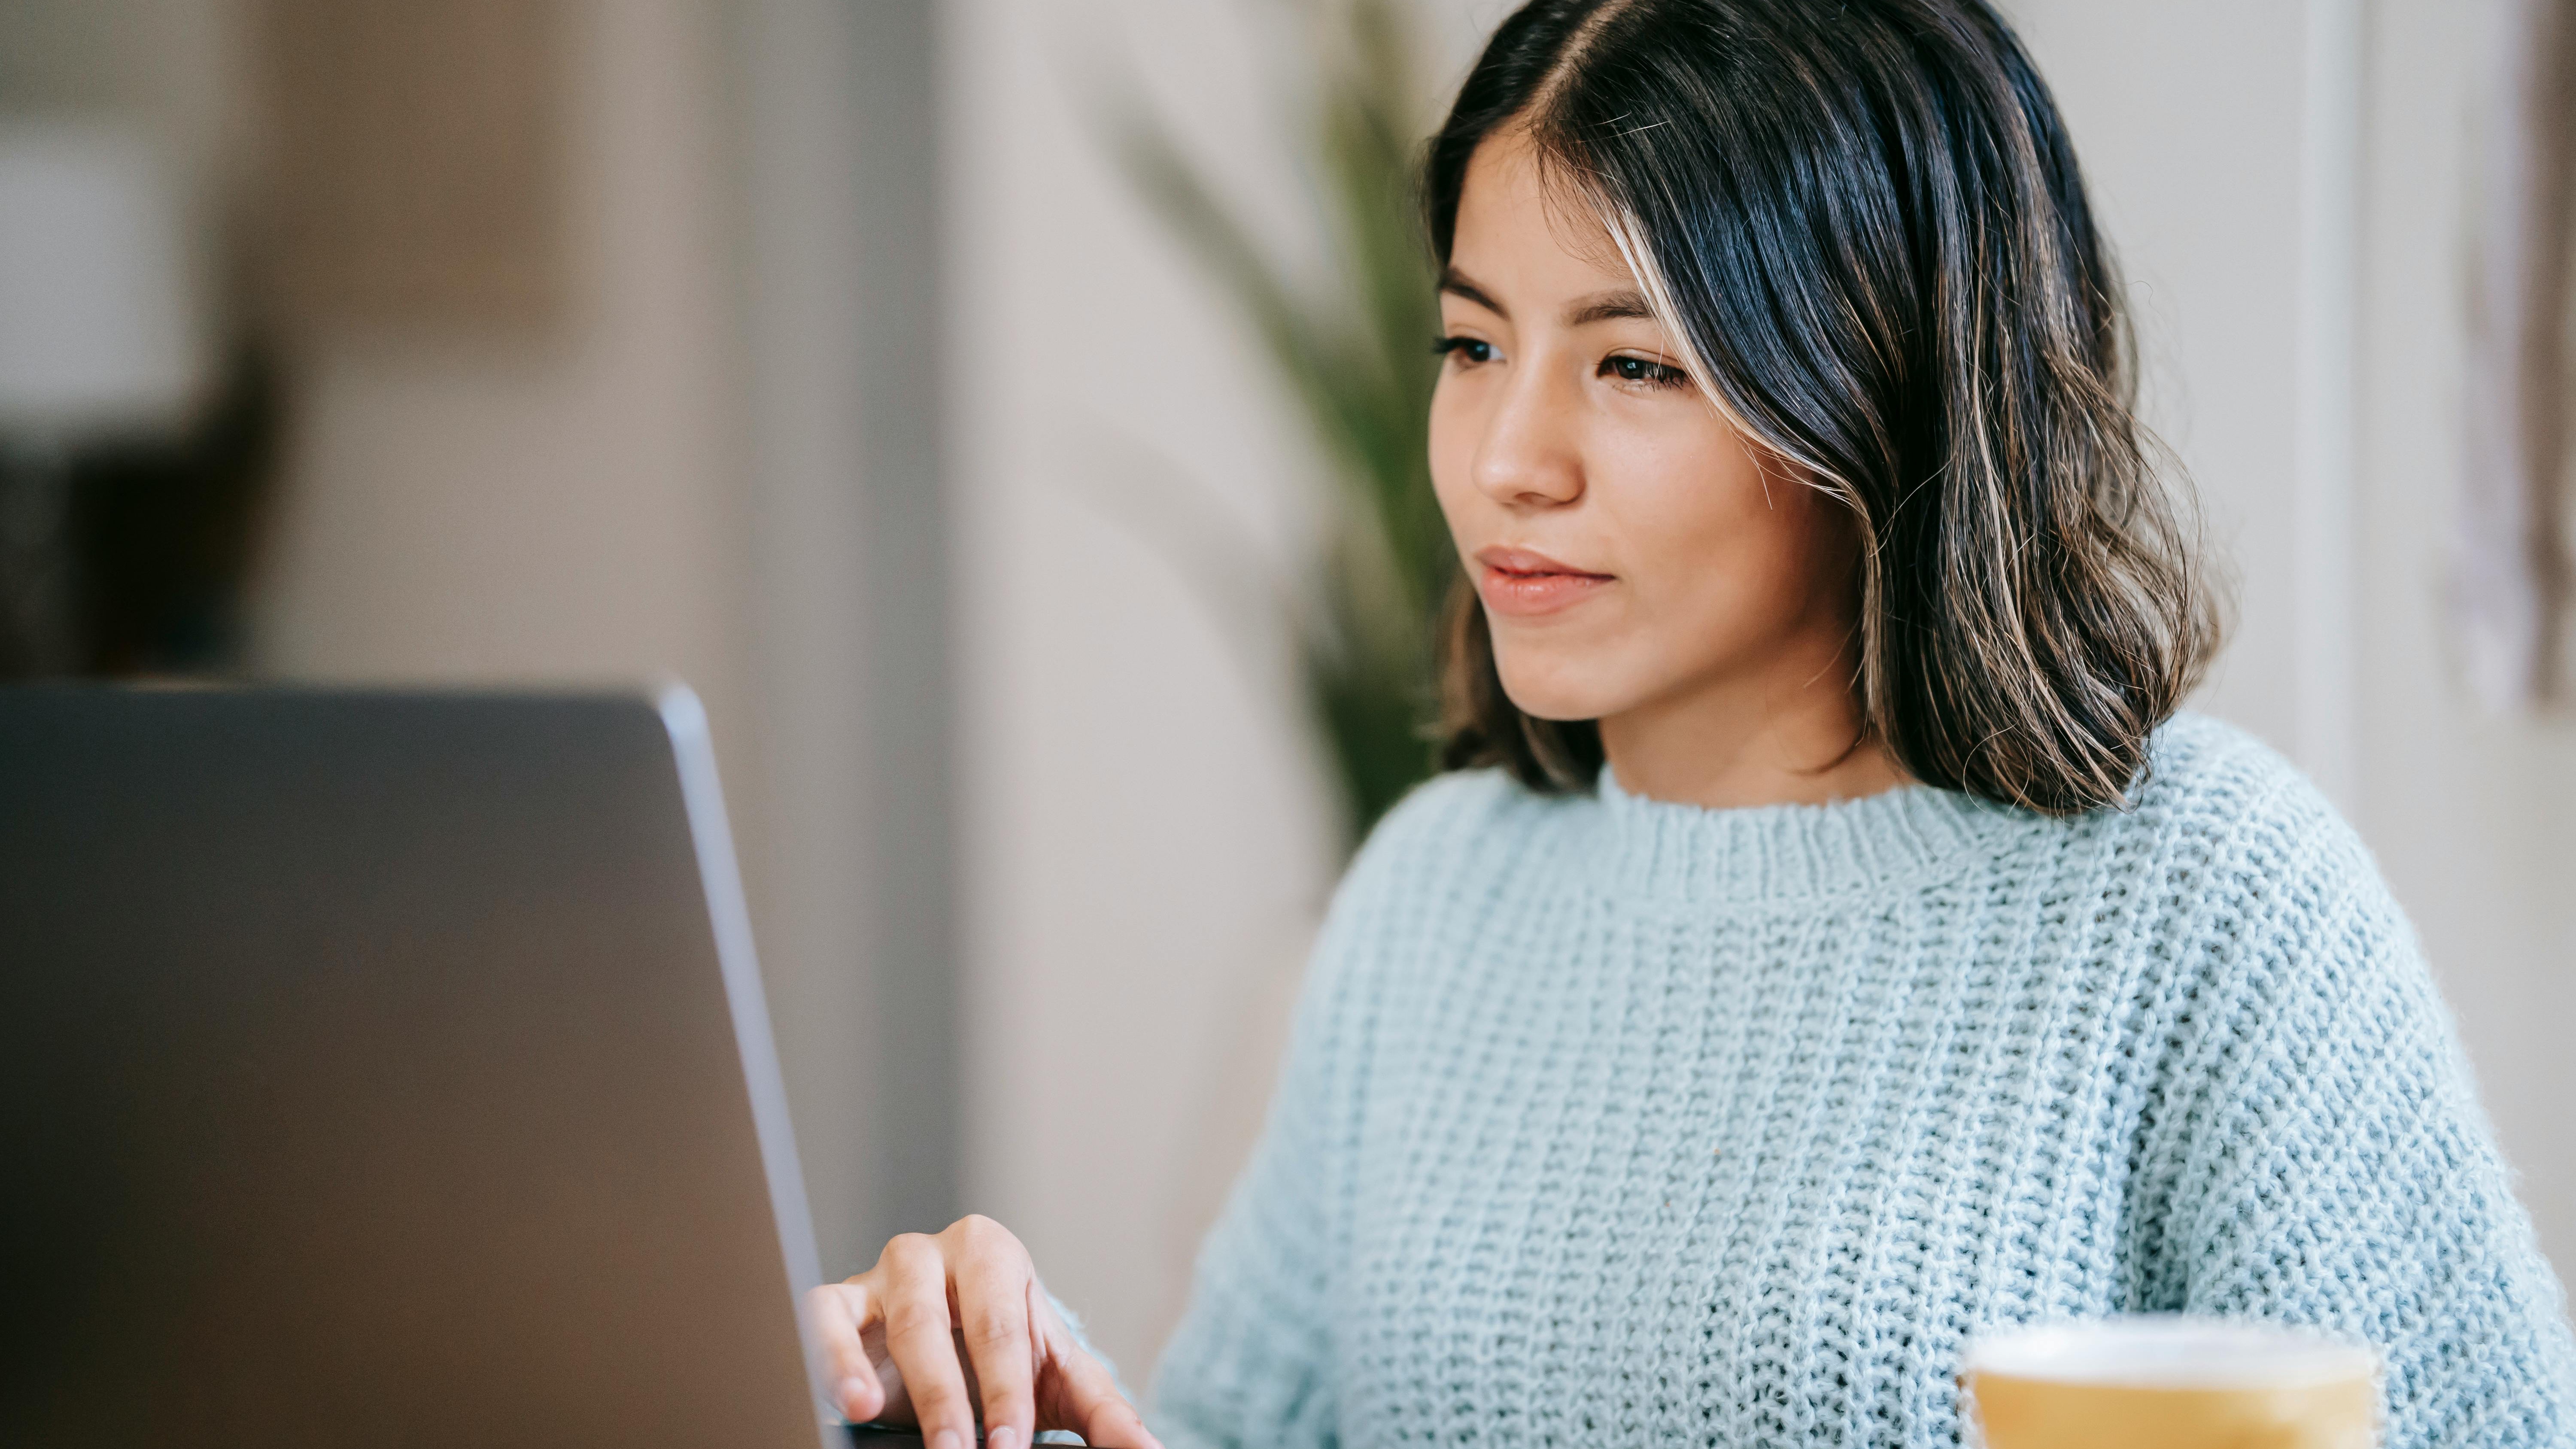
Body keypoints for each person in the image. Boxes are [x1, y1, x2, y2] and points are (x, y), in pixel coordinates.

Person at [805, 1, 2576, 1445]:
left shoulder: (2204, 900)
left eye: (1635, 364)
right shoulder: (1435, 896)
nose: (1509, 459)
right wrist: (998, 1393)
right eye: (1473, 343)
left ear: (1882, 386)